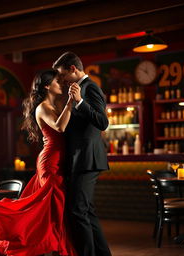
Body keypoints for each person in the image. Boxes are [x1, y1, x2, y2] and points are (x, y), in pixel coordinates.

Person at [0, 69, 77, 256]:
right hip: (50, 161)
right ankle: (55, 247)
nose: (62, 84)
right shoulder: (42, 107)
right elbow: (60, 126)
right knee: (53, 204)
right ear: (47, 85)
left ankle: (55, 245)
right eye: (58, 81)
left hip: (58, 159)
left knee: (53, 208)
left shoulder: (54, 105)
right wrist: (71, 102)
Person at [52, 52, 111, 256]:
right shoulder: (78, 88)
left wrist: (79, 102)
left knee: (77, 211)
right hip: (80, 159)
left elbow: (103, 122)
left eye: (63, 75)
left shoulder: (90, 87)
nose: (62, 79)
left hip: (88, 158)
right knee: (87, 212)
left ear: (73, 69)